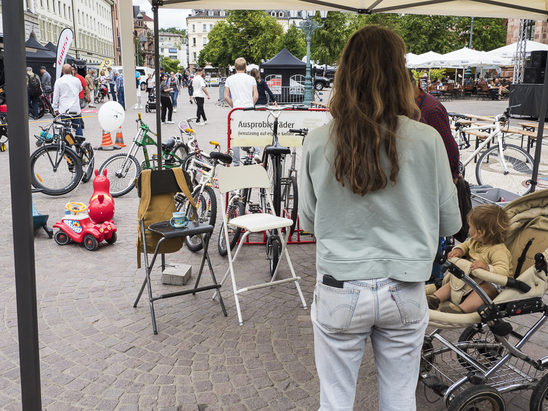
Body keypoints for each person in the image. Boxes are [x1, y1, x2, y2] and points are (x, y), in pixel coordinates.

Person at [298, 25, 461, 411]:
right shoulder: (426, 139)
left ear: (344, 75)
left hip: (340, 286)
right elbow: (450, 224)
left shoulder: (318, 140)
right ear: (399, 74)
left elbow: (307, 222)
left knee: (335, 402)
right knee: (400, 399)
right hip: (404, 287)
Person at [428, 204, 512, 314]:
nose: (469, 229)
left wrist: (487, 267)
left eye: (470, 226)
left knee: (485, 290)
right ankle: (435, 298)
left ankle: (462, 309)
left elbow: (503, 271)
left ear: (480, 232)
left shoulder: (498, 250)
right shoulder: (475, 241)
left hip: (491, 284)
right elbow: (466, 245)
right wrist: (459, 250)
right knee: (453, 283)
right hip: (471, 277)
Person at [224, 57, 258, 165]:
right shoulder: (251, 79)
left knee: (235, 137)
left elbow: (226, 96)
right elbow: (256, 96)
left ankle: (236, 162)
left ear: (234, 67)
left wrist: (233, 106)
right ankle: (255, 154)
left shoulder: (229, 79)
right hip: (249, 109)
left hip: (236, 110)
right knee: (252, 132)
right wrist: (251, 104)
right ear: (245, 67)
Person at [52, 63, 83, 137]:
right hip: (75, 108)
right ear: (71, 71)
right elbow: (80, 89)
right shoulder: (77, 80)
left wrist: (55, 108)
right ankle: (80, 144)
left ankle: (68, 146)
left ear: (62, 71)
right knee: (78, 127)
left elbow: (56, 96)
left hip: (64, 109)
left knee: (66, 129)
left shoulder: (59, 81)